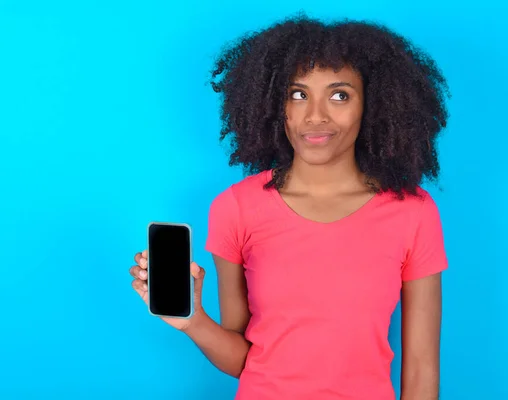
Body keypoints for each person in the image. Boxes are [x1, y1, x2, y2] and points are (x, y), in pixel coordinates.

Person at [130, 13, 450, 400]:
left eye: (339, 95)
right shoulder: (236, 208)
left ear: (374, 104)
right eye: (297, 94)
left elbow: (420, 371)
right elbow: (243, 360)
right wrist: (192, 319)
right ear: (272, 104)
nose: (315, 116)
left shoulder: (412, 211)